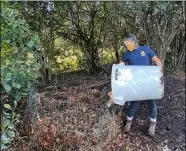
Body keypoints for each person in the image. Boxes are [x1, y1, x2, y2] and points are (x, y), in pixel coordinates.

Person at [120, 34, 163, 136]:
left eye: (129, 44)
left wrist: (159, 72)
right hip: (135, 83)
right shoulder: (127, 54)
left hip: (148, 82)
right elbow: (121, 64)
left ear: (134, 42)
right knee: (134, 103)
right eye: (126, 45)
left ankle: (153, 124)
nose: (127, 47)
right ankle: (129, 122)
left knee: (152, 103)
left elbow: (157, 60)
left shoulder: (145, 49)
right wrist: (120, 70)